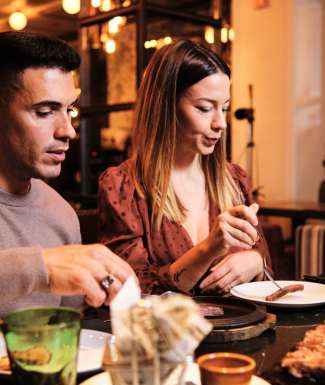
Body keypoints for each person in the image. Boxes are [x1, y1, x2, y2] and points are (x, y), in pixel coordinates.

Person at [98, 38, 272, 296]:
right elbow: (129, 292)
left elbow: (267, 270)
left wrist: (256, 262)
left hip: (242, 332)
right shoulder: (123, 186)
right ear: (165, 107)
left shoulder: (234, 179)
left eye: (224, 108)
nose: (220, 123)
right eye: (204, 108)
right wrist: (209, 248)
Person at [0, 31, 137, 316]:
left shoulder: (61, 213)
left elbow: (72, 331)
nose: (68, 131)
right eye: (45, 112)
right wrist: (38, 268)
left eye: (69, 111)